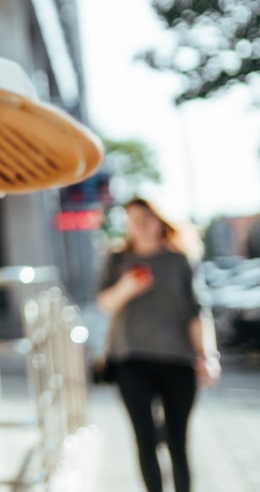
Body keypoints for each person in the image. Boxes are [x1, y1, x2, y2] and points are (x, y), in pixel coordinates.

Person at [97, 197, 220, 492]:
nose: (139, 225)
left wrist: (208, 356)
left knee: (177, 439)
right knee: (144, 437)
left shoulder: (179, 260)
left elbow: (196, 312)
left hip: (178, 359)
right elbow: (104, 304)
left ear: (161, 221)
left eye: (146, 218)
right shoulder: (117, 259)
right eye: (132, 219)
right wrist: (127, 287)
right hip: (131, 358)